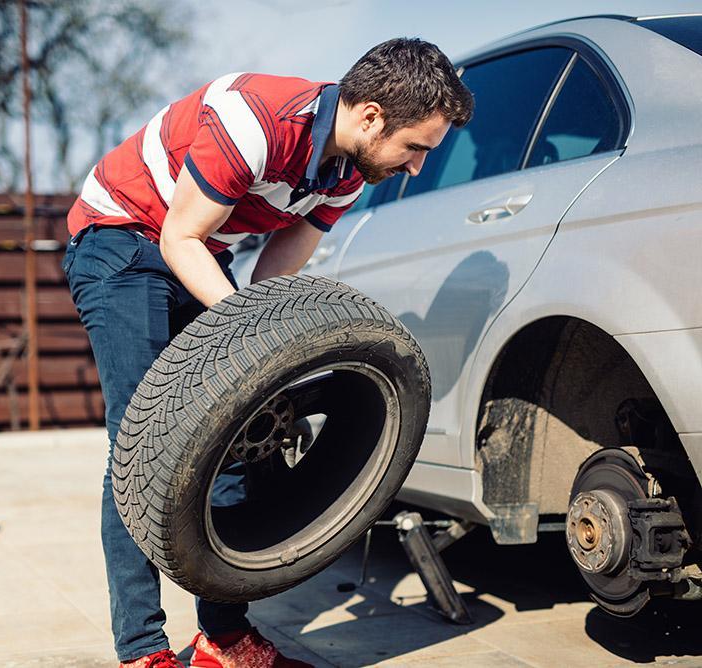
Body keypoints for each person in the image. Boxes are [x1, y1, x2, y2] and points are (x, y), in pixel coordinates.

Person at [62, 37, 473, 668]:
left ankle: (222, 639)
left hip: (198, 252)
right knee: (140, 451)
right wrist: (246, 360)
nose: (417, 166)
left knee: (221, 435)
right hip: (123, 242)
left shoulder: (350, 171)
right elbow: (180, 235)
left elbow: (273, 282)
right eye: (415, 147)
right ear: (370, 118)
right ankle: (141, 650)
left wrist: (264, 369)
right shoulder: (254, 120)